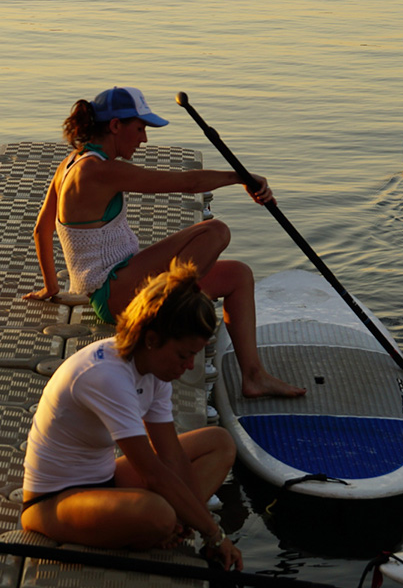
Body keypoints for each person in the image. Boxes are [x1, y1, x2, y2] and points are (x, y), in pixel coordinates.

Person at [24, 86, 304, 399]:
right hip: (113, 291)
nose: (144, 139)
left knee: (239, 275)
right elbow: (188, 184)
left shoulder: (71, 163)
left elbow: (41, 228)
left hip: (115, 287)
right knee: (216, 231)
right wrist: (242, 177)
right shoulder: (99, 170)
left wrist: (51, 287)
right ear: (115, 125)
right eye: (140, 128)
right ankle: (170, 313)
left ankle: (254, 377)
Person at [21, 259, 243, 570]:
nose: (189, 366)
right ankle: (160, 527)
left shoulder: (152, 368)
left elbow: (172, 457)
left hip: (105, 480)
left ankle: (170, 527)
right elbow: (153, 471)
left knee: (218, 443)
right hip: (51, 502)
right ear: (152, 339)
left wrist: (205, 528)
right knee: (159, 514)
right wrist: (215, 534)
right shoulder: (106, 375)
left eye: (194, 355)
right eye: (184, 354)